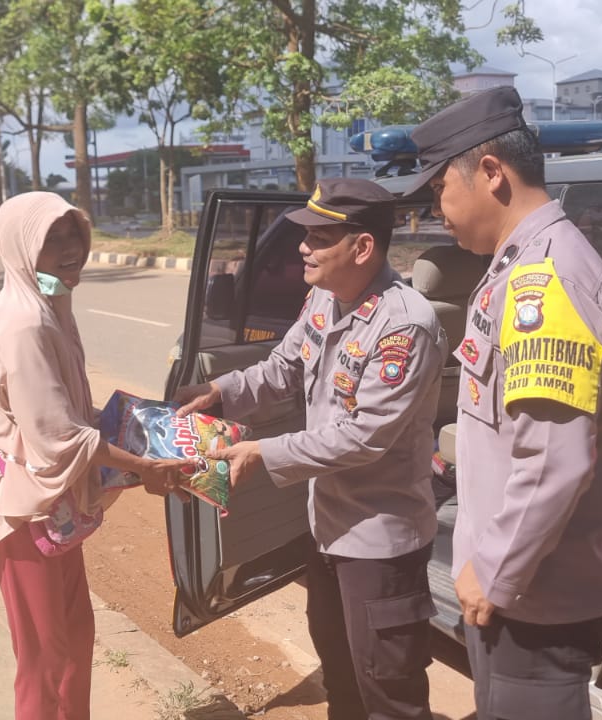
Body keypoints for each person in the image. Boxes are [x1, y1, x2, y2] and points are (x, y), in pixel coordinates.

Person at [390, 86, 602, 719]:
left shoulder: (543, 281)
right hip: (521, 587)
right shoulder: (516, 264)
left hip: (534, 599)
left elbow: (553, 459)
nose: (435, 208)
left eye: (440, 187)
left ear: (491, 172)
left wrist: (494, 570)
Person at [174, 178, 446, 720]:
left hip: (379, 543)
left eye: (319, 238)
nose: (303, 247)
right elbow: (285, 367)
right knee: (340, 677)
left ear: (362, 247)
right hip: (326, 528)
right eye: (306, 236)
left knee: (389, 692)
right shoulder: (324, 296)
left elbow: (364, 435)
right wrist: (220, 392)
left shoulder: (405, 325)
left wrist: (263, 453)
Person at [0, 191, 186, 720]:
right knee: (43, 658)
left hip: (50, 503)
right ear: (22, 247)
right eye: (52, 238)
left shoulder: (50, 306)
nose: (70, 249)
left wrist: (141, 430)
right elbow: (58, 438)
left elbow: (69, 415)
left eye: (74, 235)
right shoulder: (25, 324)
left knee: (73, 639)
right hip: (21, 512)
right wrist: (144, 466)